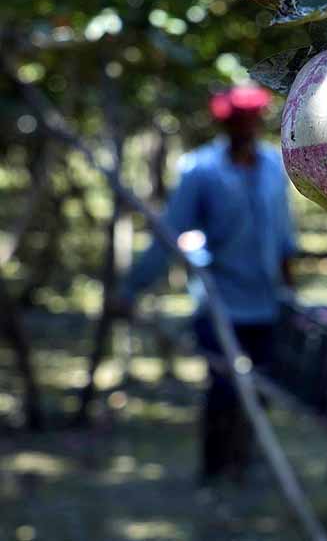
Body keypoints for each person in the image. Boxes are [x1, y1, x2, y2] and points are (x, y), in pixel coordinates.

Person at [105, 84, 298, 483]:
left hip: (267, 303)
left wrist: (290, 296)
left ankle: (245, 463)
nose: (247, 127)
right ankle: (214, 466)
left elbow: (283, 237)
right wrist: (132, 289)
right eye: (238, 120)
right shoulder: (201, 170)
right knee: (225, 388)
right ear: (224, 123)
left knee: (260, 389)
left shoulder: (275, 169)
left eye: (252, 119)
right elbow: (169, 234)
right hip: (221, 303)